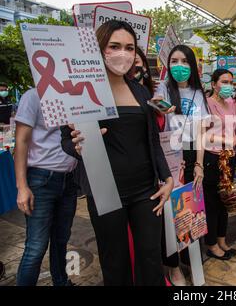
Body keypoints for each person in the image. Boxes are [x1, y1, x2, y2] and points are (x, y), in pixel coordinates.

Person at [62, 21, 174, 286]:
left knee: (150, 257)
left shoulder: (140, 90)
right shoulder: (80, 91)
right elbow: (66, 140)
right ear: (100, 48)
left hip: (147, 191)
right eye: (114, 46)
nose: (122, 53)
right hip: (105, 192)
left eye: (129, 47)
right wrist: (77, 147)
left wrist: (167, 178)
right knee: (115, 261)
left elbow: (152, 141)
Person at [154, 44, 209, 285]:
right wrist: (167, 110)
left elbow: (201, 132)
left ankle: (191, 258)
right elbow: (153, 107)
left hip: (190, 156)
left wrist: (199, 164)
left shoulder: (199, 93)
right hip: (168, 156)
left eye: (184, 61)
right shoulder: (163, 88)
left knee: (190, 211)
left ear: (193, 66)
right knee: (168, 216)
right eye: (174, 61)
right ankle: (173, 266)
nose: (179, 66)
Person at [14, 86, 78, 286]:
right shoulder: (33, 96)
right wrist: (22, 186)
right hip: (41, 180)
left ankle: (61, 281)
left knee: (61, 239)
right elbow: (21, 141)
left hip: (69, 180)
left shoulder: (76, 95)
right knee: (36, 246)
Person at [203, 69, 236, 259]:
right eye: (224, 82)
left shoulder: (231, 103)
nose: (228, 86)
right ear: (214, 84)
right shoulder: (207, 104)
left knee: (225, 198)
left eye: (231, 83)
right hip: (213, 157)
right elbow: (205, 134)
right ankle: (210, 244)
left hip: (230, 156)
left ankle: (222, 240)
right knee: (212, 202)